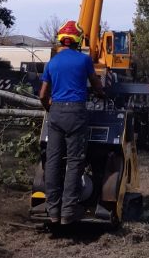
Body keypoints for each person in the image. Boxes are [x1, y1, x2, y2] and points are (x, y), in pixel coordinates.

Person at [39, 20, 104, 225]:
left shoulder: (52, 62)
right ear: (77, 40)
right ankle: (68, 212)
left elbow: (42, 94)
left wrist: (50, 107)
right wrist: (101, 93)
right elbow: (96, 84)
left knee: (53, 161)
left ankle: (52, 211)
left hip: (56, 112)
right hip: (76, 112)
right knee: (75, 162)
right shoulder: (83, 61)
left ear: (61, 40)